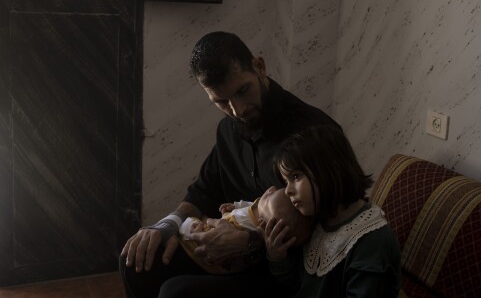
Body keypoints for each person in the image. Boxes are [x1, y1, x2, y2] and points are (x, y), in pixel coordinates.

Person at [119, 31, 339, 298]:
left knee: (175, 293)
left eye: (243, 91)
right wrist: (167, 225)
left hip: (285, 271)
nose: (238, 110)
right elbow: (204, 191)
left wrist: (250, 245)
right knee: (138, 261)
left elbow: (328, 229)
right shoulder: (229, 130)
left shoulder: (313, 131)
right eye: (221, 102)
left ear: (259, 67)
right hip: (232, 258)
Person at [260, 125, 402, 298]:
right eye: (286, 181)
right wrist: (278, 258)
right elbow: (297, 285)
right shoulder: (315, 219)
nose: (288, 190)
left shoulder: (372, 241)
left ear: (330, 168)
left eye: (296, 177)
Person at [178, 186, 313, 274]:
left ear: (266, 224)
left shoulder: (252, 228)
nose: (270, 189)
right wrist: (234, 206)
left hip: (207, 249)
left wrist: (273, 254)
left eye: (269, 197)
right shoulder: (259, 208)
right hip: (218, 226)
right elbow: (249, 205)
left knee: (191, 224)